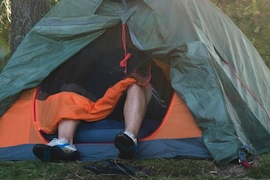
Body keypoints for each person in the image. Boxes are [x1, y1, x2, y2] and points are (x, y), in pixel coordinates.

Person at [32, 41, 168, 162]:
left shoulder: (149, 63)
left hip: (147, 104)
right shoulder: (105, 62)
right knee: (72, 89)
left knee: (136, 83)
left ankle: (129, 138)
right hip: (116, 106)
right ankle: (65, 143)